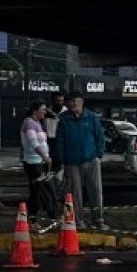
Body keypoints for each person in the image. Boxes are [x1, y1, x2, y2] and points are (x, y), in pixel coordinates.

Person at [51, 92, 108, 230]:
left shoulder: (91, 117)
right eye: (70, 103)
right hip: (72, 161)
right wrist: (62, 160)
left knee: (95, 190)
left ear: (81, 102)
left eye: (74, 103)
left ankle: (98, 219)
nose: (72, 105)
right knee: (74, 192)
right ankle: (78, 220)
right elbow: (60, 141)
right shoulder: (65, 119)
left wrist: (98, 155)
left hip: (91, 159)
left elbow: (99, 136)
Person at [20, 100, 56, 221]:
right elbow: (33, 142)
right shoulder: (29, 122)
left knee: (44, 187)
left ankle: (48, 212)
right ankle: (34, 215)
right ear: (35, 111)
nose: (45, 112)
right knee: (38, 189)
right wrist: (44, 156)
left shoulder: (38, 123)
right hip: (33, 161)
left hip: (41, 161)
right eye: (43, 109)